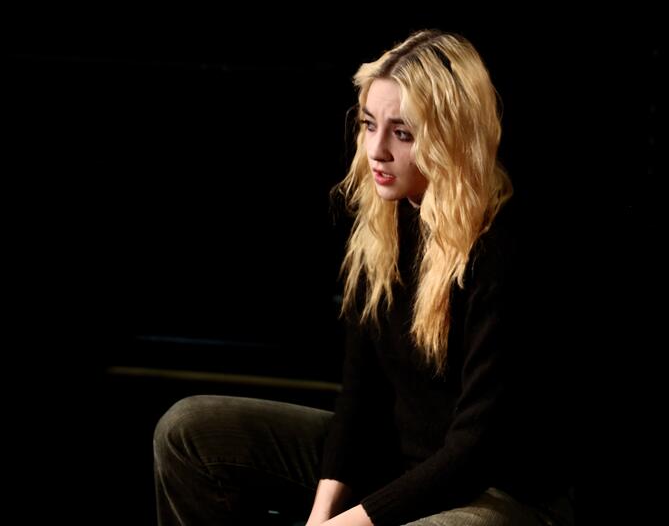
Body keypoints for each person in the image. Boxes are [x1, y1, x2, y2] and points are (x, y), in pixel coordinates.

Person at [153, 29, 574, 525]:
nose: (376, 150)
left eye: (402, 133)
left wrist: (352, 523)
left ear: (452, 138)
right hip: (398, 465)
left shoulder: (503, 248)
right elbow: (360, 400)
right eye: (369, 124)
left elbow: (474, 452)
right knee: (189, 431)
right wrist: (321, 516)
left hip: (496, 493)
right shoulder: (386, 223)